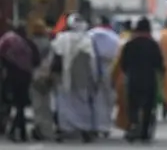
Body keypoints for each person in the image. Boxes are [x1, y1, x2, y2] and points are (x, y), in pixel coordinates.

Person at [51, 14, 101, 142]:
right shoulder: (87, 40)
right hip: (82, 78)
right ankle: (84, 128)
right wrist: (94, 79)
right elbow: (92, 63)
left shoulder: (61, 38)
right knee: (82, 103)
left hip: (64, 77)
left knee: (64, 103)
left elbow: (55, 56)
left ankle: (65, 128)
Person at [119, 17, 165, 142]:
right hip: (149, 80)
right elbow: (159, 63)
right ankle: (144, 132)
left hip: (133, 78)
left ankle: (133, 124)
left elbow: (123, 63)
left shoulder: (130, 44)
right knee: (148, 107)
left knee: (132, 104)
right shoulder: (153, 44)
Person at [0, 24, 39, 142]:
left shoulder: (8, 41)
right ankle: (20, 132)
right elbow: (36, 60)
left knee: (13, 104)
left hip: (10, 77)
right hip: (25, 76)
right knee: (20, 105)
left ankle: (15, 131)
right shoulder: (29, 44)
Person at [89, 16, 121, 137]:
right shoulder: (114, 37)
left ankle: (93, 125)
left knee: (93, 98)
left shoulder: (91, 34)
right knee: (108, 99)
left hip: (93, 68)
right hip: (109, 69)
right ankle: (105, 126)